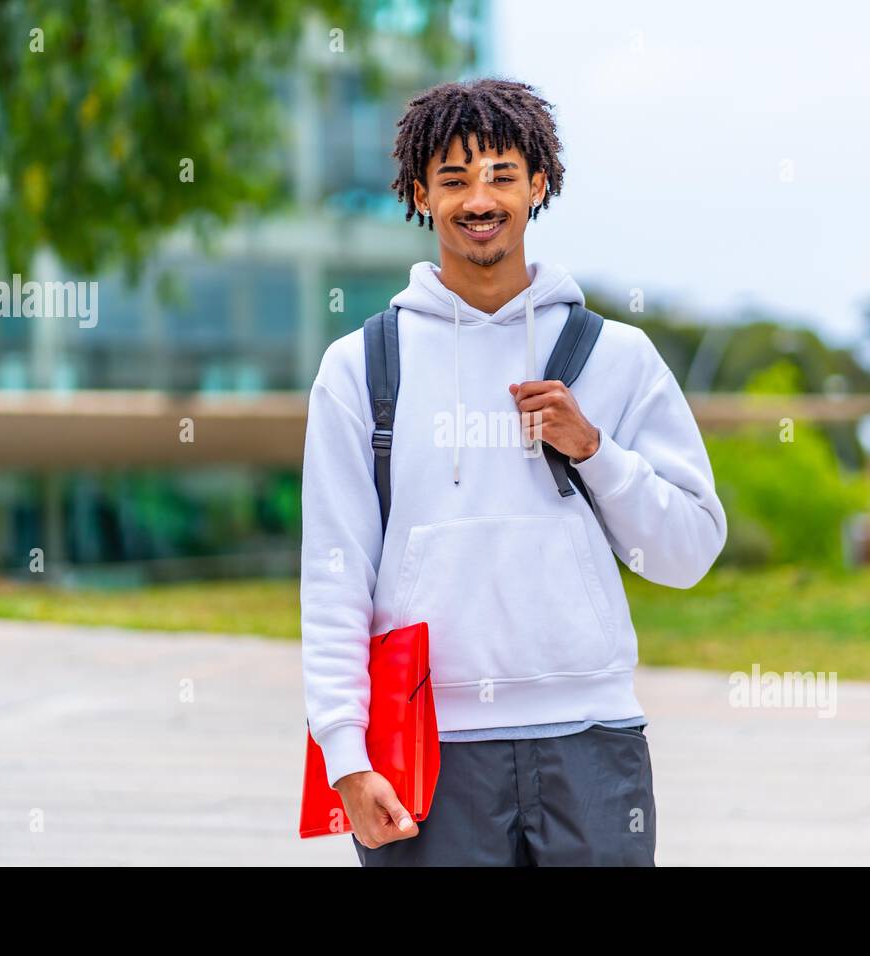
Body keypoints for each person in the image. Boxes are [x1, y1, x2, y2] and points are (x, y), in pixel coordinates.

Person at [300, 77, 727, 866]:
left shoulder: (616, 357)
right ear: (420, 194)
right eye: (454, 179)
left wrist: (596, 451)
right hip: (429, 745)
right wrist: (345, 757)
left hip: (592, 739)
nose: (478, 198)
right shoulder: (360, 366)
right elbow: (334, 576)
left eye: (500, 173)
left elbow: (690, 550)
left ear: (538, 183)